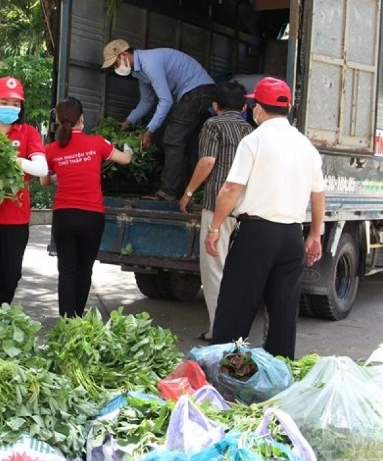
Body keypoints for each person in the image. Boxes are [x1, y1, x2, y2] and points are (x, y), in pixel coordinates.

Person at [204, 77, 325, 359]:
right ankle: (279, 373)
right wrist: (315, 235)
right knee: (283, 314)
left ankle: (226, 372)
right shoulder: (305, 145)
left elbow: (232, 188)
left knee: (235, 307)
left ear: (257, 108)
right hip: (292, 237)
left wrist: (214, 227)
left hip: (256, 235)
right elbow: (318, 194)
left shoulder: (254, 140)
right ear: (288, 107)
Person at [41, 97, 132, 317]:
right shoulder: (97, 143)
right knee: (84, 270)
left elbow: (44, 181)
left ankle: (65, 321)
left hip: (64, 216)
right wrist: (129, 149)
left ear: (58, 120)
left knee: (66, 271)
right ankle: (77, 319)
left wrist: (63, 173)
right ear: (82, 118)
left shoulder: (51, 149)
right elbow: (125, 160)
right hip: (91, 217)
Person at [179, 82, 254, 342]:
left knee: (214, 269)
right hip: (245, 208)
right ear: (244, 107)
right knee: (238, 271)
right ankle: (237, 328)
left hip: (216, 205)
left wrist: (188, 192)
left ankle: (219, 329)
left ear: (214, 107)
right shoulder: (250, 130)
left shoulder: (212, 125)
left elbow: (208, 161)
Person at [0, 76, 48, 308]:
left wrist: (10, 159)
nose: (10, 107)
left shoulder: (28, 133)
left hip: (16, 218)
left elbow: (41, 168)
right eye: (4, 102)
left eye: (15, 104)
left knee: (10, 278)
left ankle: (0, 315)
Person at [102, 39, 216, 201]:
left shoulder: (149, 63)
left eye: (115, 63)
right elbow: (146, 101)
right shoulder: (139, 73)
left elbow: (166, 100)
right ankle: (193, 190)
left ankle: (168, 192)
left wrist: (150, 131)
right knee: (192, 144)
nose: (116, 68)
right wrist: (127, 122)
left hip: (198, 92)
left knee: (172, 140)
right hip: (201, 93)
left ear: (125, 54)